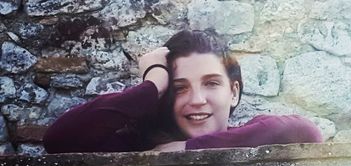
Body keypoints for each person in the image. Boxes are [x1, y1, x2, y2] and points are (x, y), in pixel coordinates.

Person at [43, 29, 322, 153]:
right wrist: (151, 86)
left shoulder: (254, 135)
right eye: (180, 88)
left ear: (234, 92)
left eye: (211, 83)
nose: (197, 100)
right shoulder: (142, 148)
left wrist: (190, 148)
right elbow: (59, 139)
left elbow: (306, 133)